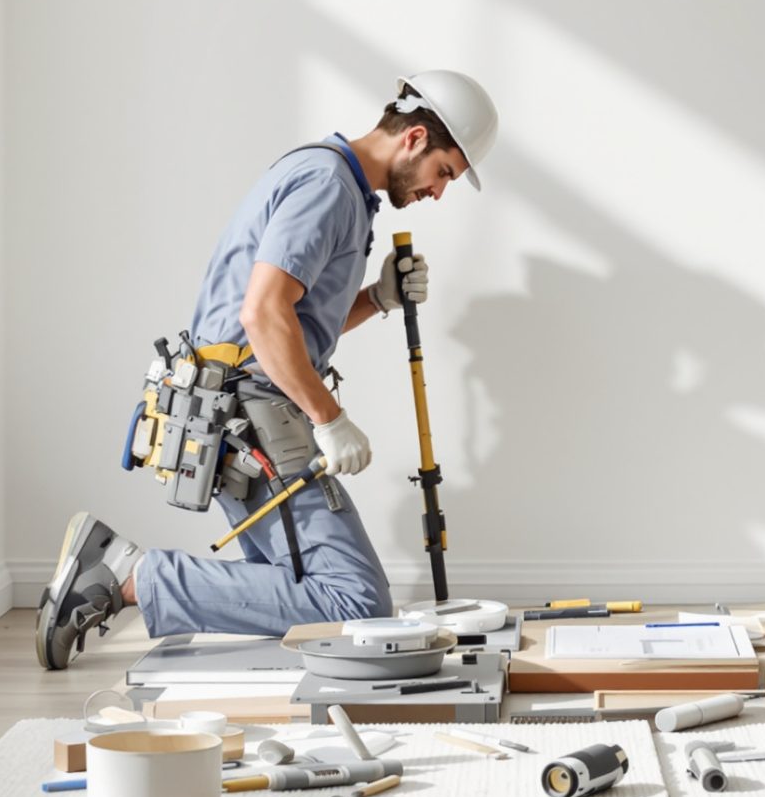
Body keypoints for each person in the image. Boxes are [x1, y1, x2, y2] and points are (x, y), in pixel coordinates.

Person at [37, 70, 499, 668]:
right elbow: (261, 315)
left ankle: (160, 599)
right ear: (414, 138)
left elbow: (293, 321)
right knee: (354, 602)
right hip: (252, 416)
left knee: (297, 585)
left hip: (239, 404)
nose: (438, 192)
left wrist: (375, 299)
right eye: (445, 173)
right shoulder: (328, 186)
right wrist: (329, 419)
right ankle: (129, 576)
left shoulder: (337, 182)